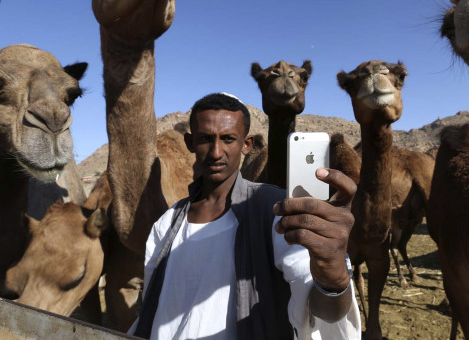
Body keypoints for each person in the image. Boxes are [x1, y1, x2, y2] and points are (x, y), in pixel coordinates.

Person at [130, 92, 361, 339]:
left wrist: (333, 277)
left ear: (246, 144)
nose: (216, 152)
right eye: (206, 139)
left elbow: (323, 313)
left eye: (228, 139)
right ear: (190, 142)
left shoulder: (275, 211)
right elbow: (151, 308)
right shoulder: (167, 224)